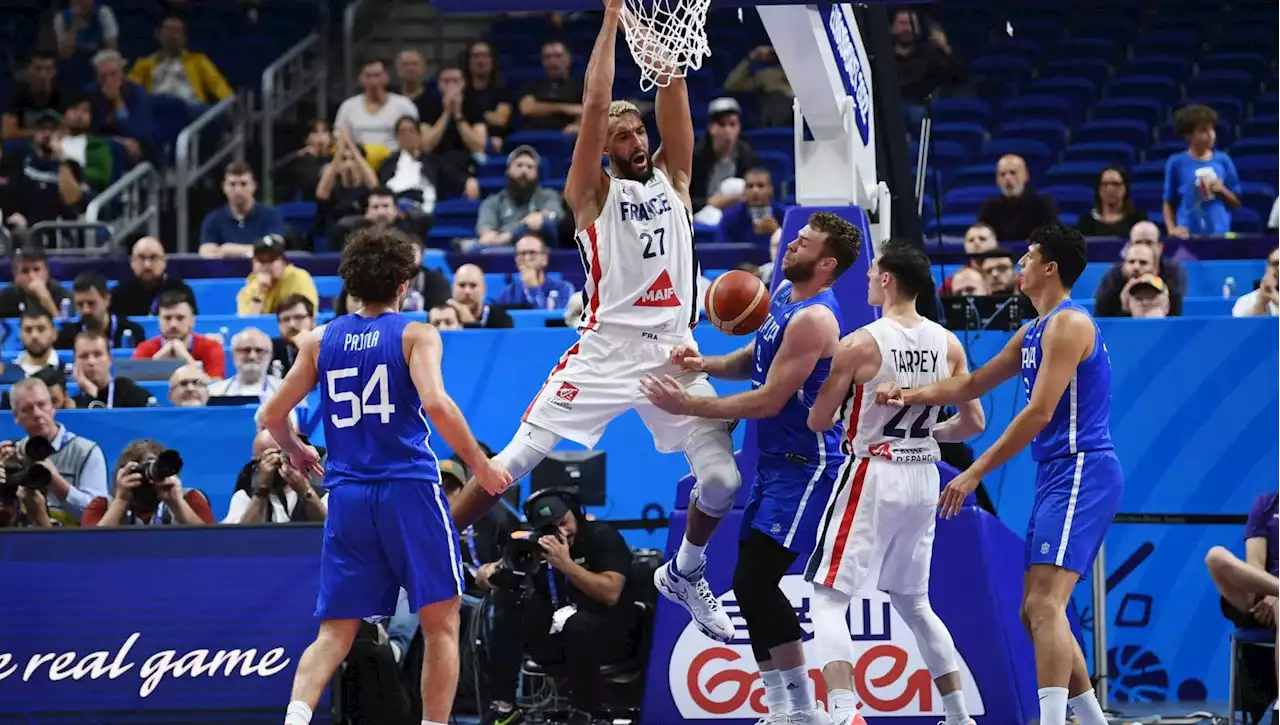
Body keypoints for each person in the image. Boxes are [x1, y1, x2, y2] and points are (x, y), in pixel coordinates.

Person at [448, 0, 742, 644]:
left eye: (639, 132)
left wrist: (667, 42)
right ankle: (434, 545)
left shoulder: (676, 178)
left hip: (675, 350)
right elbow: (593, 104)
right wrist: (612, 19)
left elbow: (674, 93)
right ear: (604, 150)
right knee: (513, 462)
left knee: (723, 480)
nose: (636, 142)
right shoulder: (591, 195)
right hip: (606, 349)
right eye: (622, 137)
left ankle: (687, 572)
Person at [260, 226, 511, 725]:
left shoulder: (318, 340)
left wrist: (298, 448)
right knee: (441, 623)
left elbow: (270, 416)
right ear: (404, 285)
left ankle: (295, 717)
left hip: (349, 495)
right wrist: (481, 465)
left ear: (351, 283)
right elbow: (436, 405)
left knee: (335, 632)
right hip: (408, 490)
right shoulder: (416, 333)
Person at [875, 224, 1121, 725]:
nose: (1020, 265)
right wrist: (909, 395)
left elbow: (1038, 413)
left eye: (1028, 257)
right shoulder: (1032, 330)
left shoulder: (1068, 324)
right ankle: (1092, 721)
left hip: (1083, 469)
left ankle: (1052, 721)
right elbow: (972, 381)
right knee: (1034, 610)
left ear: (1050, 268)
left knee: (1045, 607)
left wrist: (973, 472)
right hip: (1058, 472)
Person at [640, 213, 859, 725]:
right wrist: (705, 366)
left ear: (827, 263)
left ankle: (803, 709)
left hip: (809, 465)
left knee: (757, 582)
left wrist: (689, 407)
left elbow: (767, 399)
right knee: (749, 581)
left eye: (805, 242)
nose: (791, 242)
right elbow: (755, 357)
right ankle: (782, 707)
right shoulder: (782, 292)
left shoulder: (816, 319)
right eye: (795, 236)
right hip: (777, 462)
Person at [801, 241, 985, 725]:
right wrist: (930, 433)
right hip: (923, 473)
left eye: (872, 272)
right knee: (915, 602)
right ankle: (960, 716)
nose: (865, 279)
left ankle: (844, 713)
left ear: (887, 280)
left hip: (872, 472)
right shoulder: (948, 343)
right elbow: (974, 424)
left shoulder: (860, 342)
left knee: (826, 597)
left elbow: (819, 421)